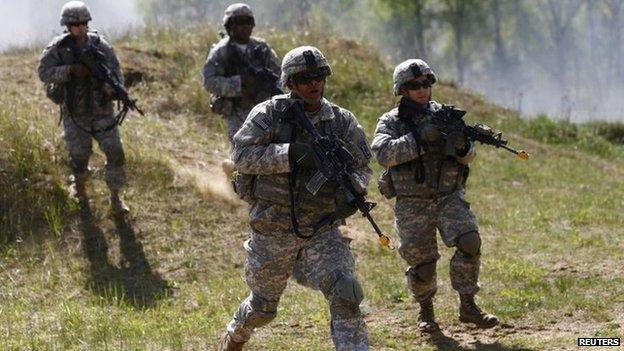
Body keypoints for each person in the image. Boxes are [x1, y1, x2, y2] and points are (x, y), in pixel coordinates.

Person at [218, 46, 372, 351]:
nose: (314, 84)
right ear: (290, 82)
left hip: (321, 229)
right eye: (304, 79)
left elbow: (363, 167)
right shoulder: (269, 114)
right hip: (273, 229)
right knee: (262, 310)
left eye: (319, 77)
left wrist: (351, 189)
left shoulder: (341, 121)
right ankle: (236, 332)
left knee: (346, 293)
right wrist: (289, 154)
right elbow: (242, 155)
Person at [371, 59, 499, 333]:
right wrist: (418, 139)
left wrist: (463, 144)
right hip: (413, 203)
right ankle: (426, 311)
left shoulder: (447, 115)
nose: (422, 90)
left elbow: (469, 157)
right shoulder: (391, 121)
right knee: (423, 265)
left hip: (448, 196)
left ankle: (468, 305)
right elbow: (383, 154)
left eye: (426, 83)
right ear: (402, 90)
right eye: (414, 86)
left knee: (470, 242)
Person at [38, 1, 129, 216]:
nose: (80, 27)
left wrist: (113, 89)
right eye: (75, 24)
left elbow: (116, 73)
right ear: (67, 26)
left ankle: (115, 198)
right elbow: (43, 72)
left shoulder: (100, 45)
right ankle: (79, 188)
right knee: (79, 155)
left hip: (102, 111)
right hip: (75, 113)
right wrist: (69, 70)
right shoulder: (58, 48)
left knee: (115, 152)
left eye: (83, 23)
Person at [202, 3, 281, 143]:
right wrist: (240, 82)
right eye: (239, 22)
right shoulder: (221, 51)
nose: (245, 26)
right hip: (235, 110)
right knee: (241, 146)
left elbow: (279, 74)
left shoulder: (262, 48)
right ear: (229, 25)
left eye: (249, 22)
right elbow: (209, 82)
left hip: (261, 107)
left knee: (267, 142)